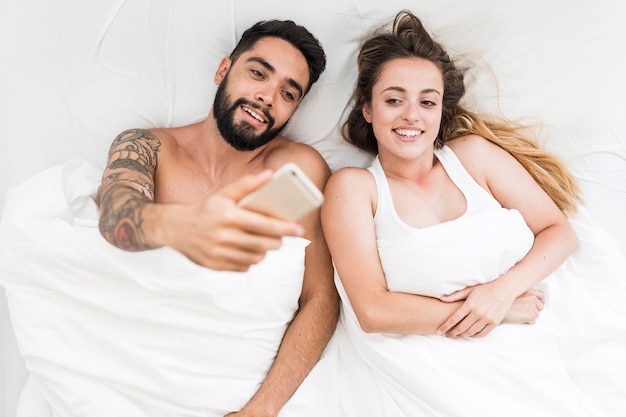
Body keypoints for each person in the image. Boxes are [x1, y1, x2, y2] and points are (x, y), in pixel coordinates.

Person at [316, 9, 596, 416]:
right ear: (368, 110)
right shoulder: (354, 189)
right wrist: (493, 313)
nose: (412, 115)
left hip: (519, 365)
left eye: (427, 102)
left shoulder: (475, 158)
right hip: (426, 378)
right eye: (394, 100)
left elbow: (558, 230)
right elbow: (373, 311)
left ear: (440, 111)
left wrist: (500, 293)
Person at [95, 19, 338, 417]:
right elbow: (116, 218)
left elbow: (320, 297)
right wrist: (182, 227)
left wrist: (261, 410)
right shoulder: (148, 146)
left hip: (233, 392)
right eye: (258, 73)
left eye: (288, 93)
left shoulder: (296, 172)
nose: (267, 97)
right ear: (223, 70)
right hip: (130, 378)